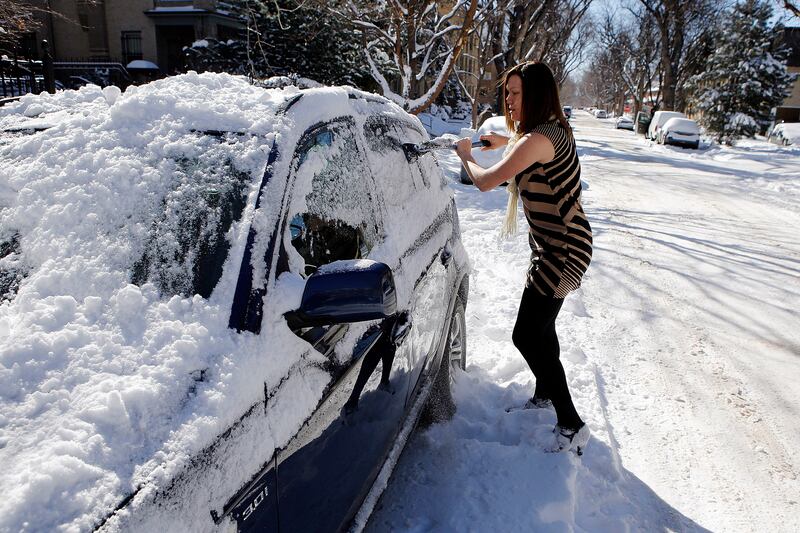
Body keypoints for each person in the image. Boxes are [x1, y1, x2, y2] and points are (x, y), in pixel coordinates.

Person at [455, 62, 592, 455]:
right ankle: (545, 395)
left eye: (516, 94)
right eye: (508, 94)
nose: (509, 101)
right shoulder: (547, 130)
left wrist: (466, 155)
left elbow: (483, 182)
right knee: (541, 327)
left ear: (536, 95)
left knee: (526, 333)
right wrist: (502, 143)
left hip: (563, 250)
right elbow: (520, 142)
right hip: (557, 245)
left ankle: (571, 423)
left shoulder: (538, 139)